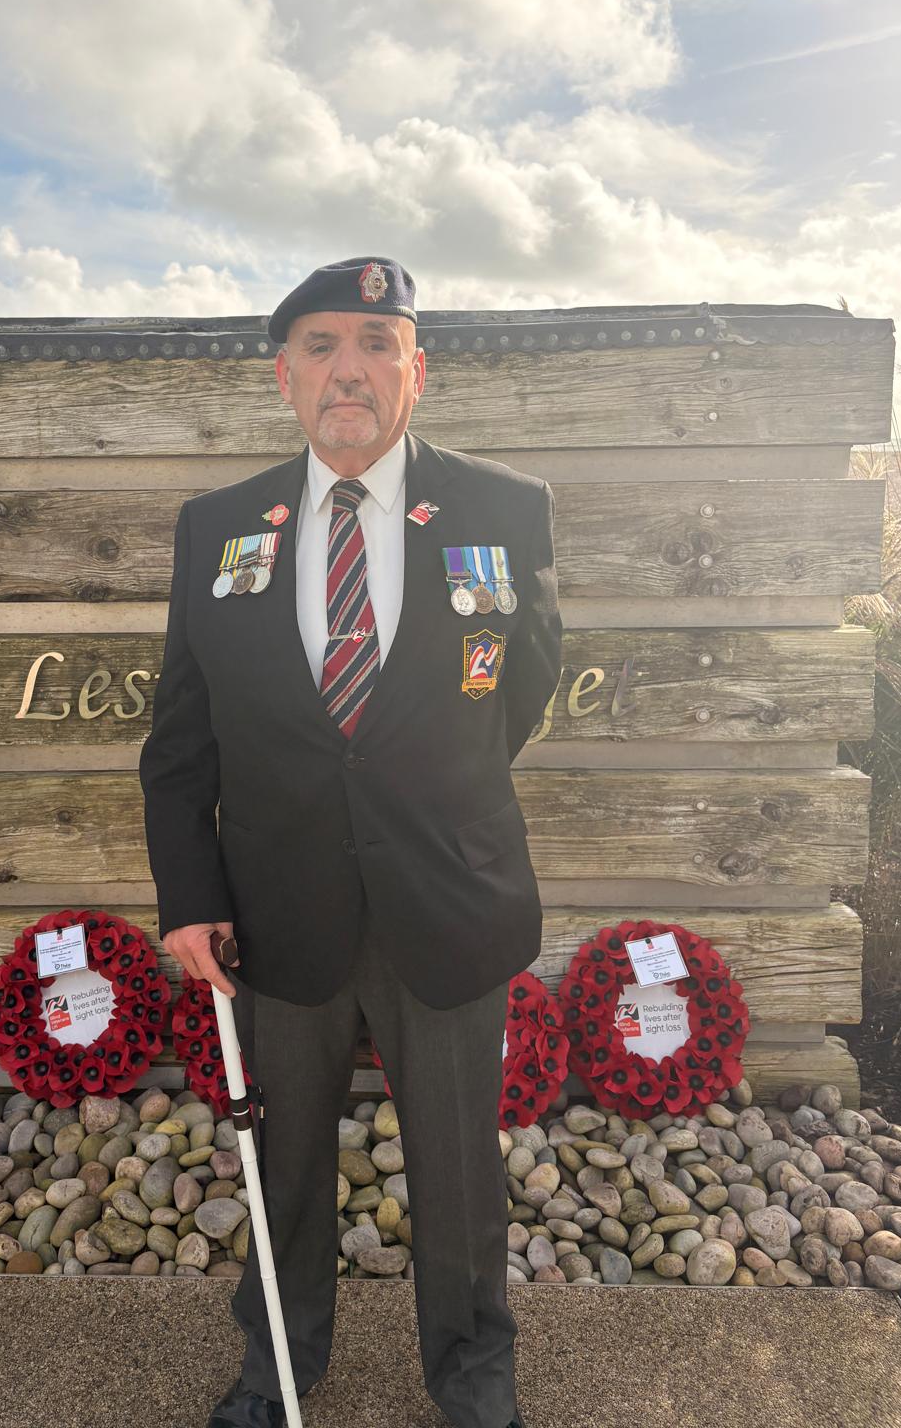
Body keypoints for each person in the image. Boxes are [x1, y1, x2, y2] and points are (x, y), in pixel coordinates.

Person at [139, 255, 562, 1428]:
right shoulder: (218, 528)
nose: (350, 369)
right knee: (281, 1171)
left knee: (463, 1172)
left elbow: (519, 693)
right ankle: (278, 1361)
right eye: (323, 344)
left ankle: (474, 1375)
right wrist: (188, 897)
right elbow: (181, 741)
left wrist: (425, 799)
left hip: (448, 899)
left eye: (378, 341)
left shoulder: (501, 509)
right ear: (286, 375)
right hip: (276, 913)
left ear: (416, 370)